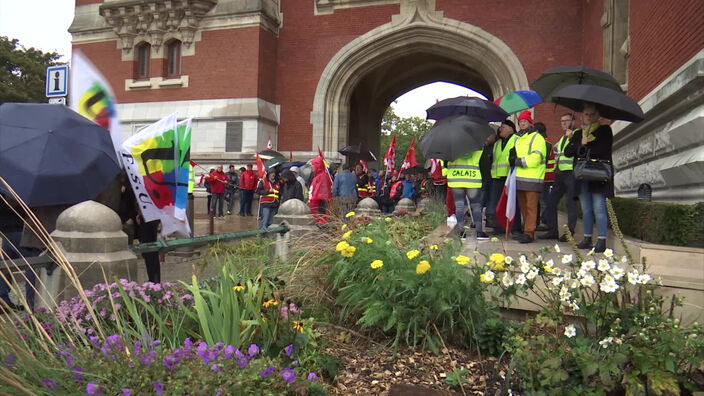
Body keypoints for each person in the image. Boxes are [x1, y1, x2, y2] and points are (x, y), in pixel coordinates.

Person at [566, 103, 614, 253]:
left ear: (598, 116)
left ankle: (601, 240)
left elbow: (602, 149)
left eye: (593, 114)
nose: (590, 117)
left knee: (598, 207)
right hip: (582, 176)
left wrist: (586, 146)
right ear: (582, 116)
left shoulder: (604, 130)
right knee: (586, 208)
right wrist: (576, 141)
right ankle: (587, 238)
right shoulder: (579, 133)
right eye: (587, 114)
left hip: (598, 175)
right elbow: (568, 152)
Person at [539, 114, 579, 241]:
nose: (563, 123)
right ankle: (552, 230)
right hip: (560, 173)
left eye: (566, 121)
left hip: (572, 173)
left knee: (570, 203)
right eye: (561, 121)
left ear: (573, 121)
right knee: (551, 201)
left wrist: (572, 138)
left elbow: (577, 150)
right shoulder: (563, 137)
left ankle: (569, 233)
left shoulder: (577, 134)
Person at [509, 110, 546, 243]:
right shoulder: (518, 138)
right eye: (520, 122)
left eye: (524, 121)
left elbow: (536, 158)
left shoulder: (537, 138)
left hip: (533, 178)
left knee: (531, 207)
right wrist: (511, 156)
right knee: (524, 207)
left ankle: (530, 232)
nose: (522, 123)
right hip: (520, 178)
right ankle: (526, 230)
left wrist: (518, 161)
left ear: (530, 123)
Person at [489, 120, 522, 236]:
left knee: (513, 203)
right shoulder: (498, 143)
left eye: (503, 127)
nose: (500, 129)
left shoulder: (517, 140)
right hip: (497, 177)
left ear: (510, 128)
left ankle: (516, 228)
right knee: (497, 204)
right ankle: (499, 227)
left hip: (511, 177)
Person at [445, 150, 488, 240]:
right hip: (473, 180)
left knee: (459, 206)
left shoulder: (450, 148)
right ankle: (479, 232)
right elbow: (484, 164)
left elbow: (445, 164)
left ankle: (461, 232)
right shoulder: (478, 149)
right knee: (476, 206)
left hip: (456, 180)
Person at [534, 122, 555, 231]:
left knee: (543, 201)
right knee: (541, 200)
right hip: (545, 175)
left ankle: (544, 222)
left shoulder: (543, 143)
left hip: (545, 176)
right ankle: (540, 221)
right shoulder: (547, 142)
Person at [480, 131, 497, 227]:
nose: (488, 138)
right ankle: (477, 218)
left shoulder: (495, 148)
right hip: (482, 176)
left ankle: (490, 218)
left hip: (493, 177)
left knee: (491, 199)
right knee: (480, 199)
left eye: (490, 136)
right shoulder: (481, 148)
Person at [308, 155, 332, 224]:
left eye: (313, 165)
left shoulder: (322, 176)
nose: (312, 166)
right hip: (314, 205)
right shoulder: (317, 176)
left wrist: (313, 199)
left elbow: (321, 193)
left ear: (317, 165)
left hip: (319, 205)